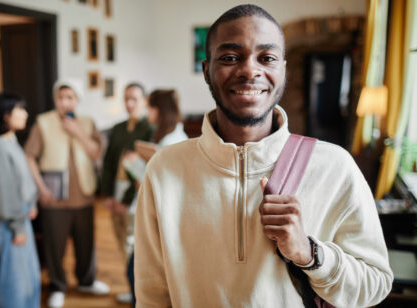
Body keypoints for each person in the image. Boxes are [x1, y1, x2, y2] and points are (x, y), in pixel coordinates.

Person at [134, 4, 393, 308]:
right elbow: (152, 295)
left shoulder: (334, 167)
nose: (249, 70)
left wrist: (310, 254)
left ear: (282, 70)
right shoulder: (165, 169)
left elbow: (375, 284)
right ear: (207, 71)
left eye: (267, 58)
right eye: (230, 57)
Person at [25, 79, 109, 308]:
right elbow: (29, 156)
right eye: (60, 97)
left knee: (86, 244)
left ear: (77, 100)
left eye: (70, 97)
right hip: (53, 198)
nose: (64, 102)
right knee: (54, 246)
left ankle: (86, 281)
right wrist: (41, 188)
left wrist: (79, 132)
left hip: (84, 195)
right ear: (55, 100)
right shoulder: (43, 123)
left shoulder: (88, 123)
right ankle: (57, 286)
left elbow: (95, 154)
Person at [120, 89, 188, 306]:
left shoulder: (172, 141)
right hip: (159, 211)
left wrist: (133, 164)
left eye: (149, 106)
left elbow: (160, 183)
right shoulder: (167, 134)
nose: (146, 111)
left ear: (158, 110)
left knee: (137, 270)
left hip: (164, 214)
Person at [0, 92, 40, 308]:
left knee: (29, 277)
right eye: (20, 110)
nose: (25, 114)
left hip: (19, 215)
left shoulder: (10, 141)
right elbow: (5, 194)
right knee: (15, 282)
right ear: (6, 116)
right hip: (8, 221)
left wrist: (30, 205)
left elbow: (20, 182)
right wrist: (17, 227)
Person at [101, 83, 154, 257]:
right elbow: (108, 163)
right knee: (119, 235)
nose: (129, 104)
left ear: (144, 101)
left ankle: (134, 282)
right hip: (116, 187)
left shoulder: (150, 129)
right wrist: (108, 195)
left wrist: (125, 200)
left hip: (135, 192)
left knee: (131, 240)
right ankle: (129, 280)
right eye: (126, 99)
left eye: (134, 99)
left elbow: (144, 171)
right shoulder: (117, 128)